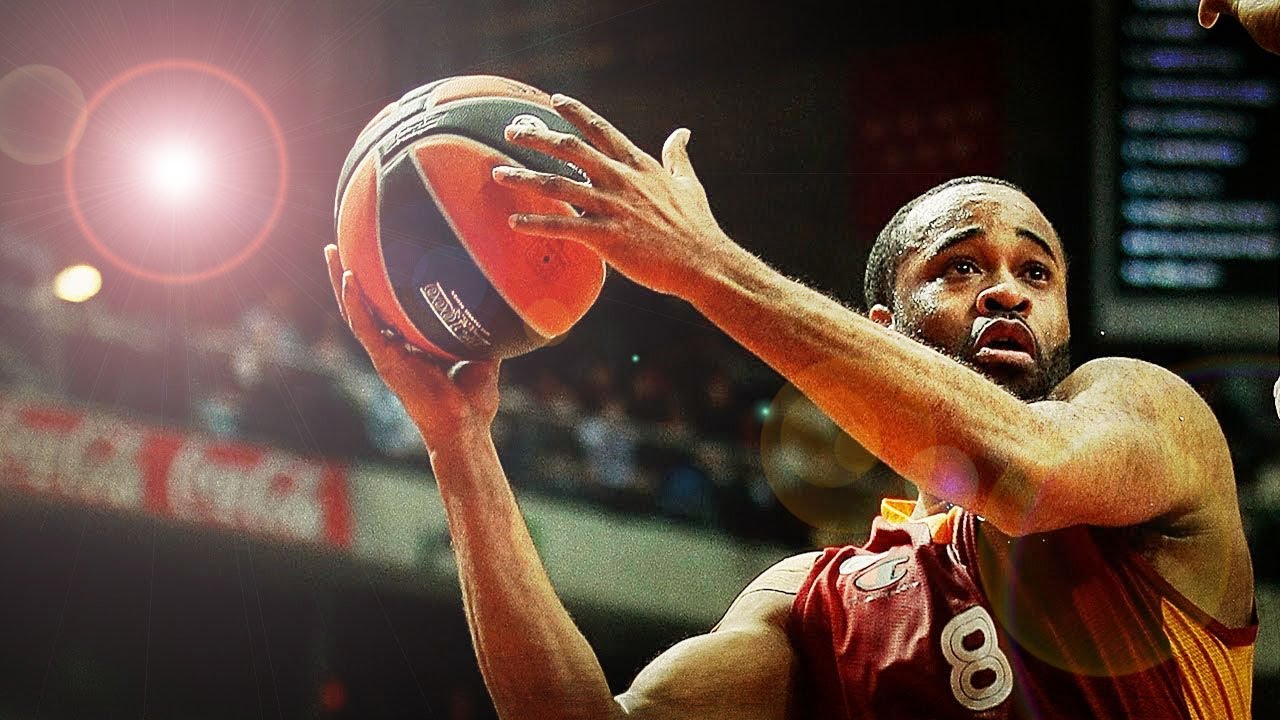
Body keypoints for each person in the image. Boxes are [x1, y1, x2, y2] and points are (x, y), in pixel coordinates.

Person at [324, 2, 1275, 717]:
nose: (1005, 290)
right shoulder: (814, 603)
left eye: (1036, 271)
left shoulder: (1148, 412)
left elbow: (1025, 474)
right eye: (959, 266)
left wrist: (707, 266)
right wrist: (459, 445)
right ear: (883, 323)